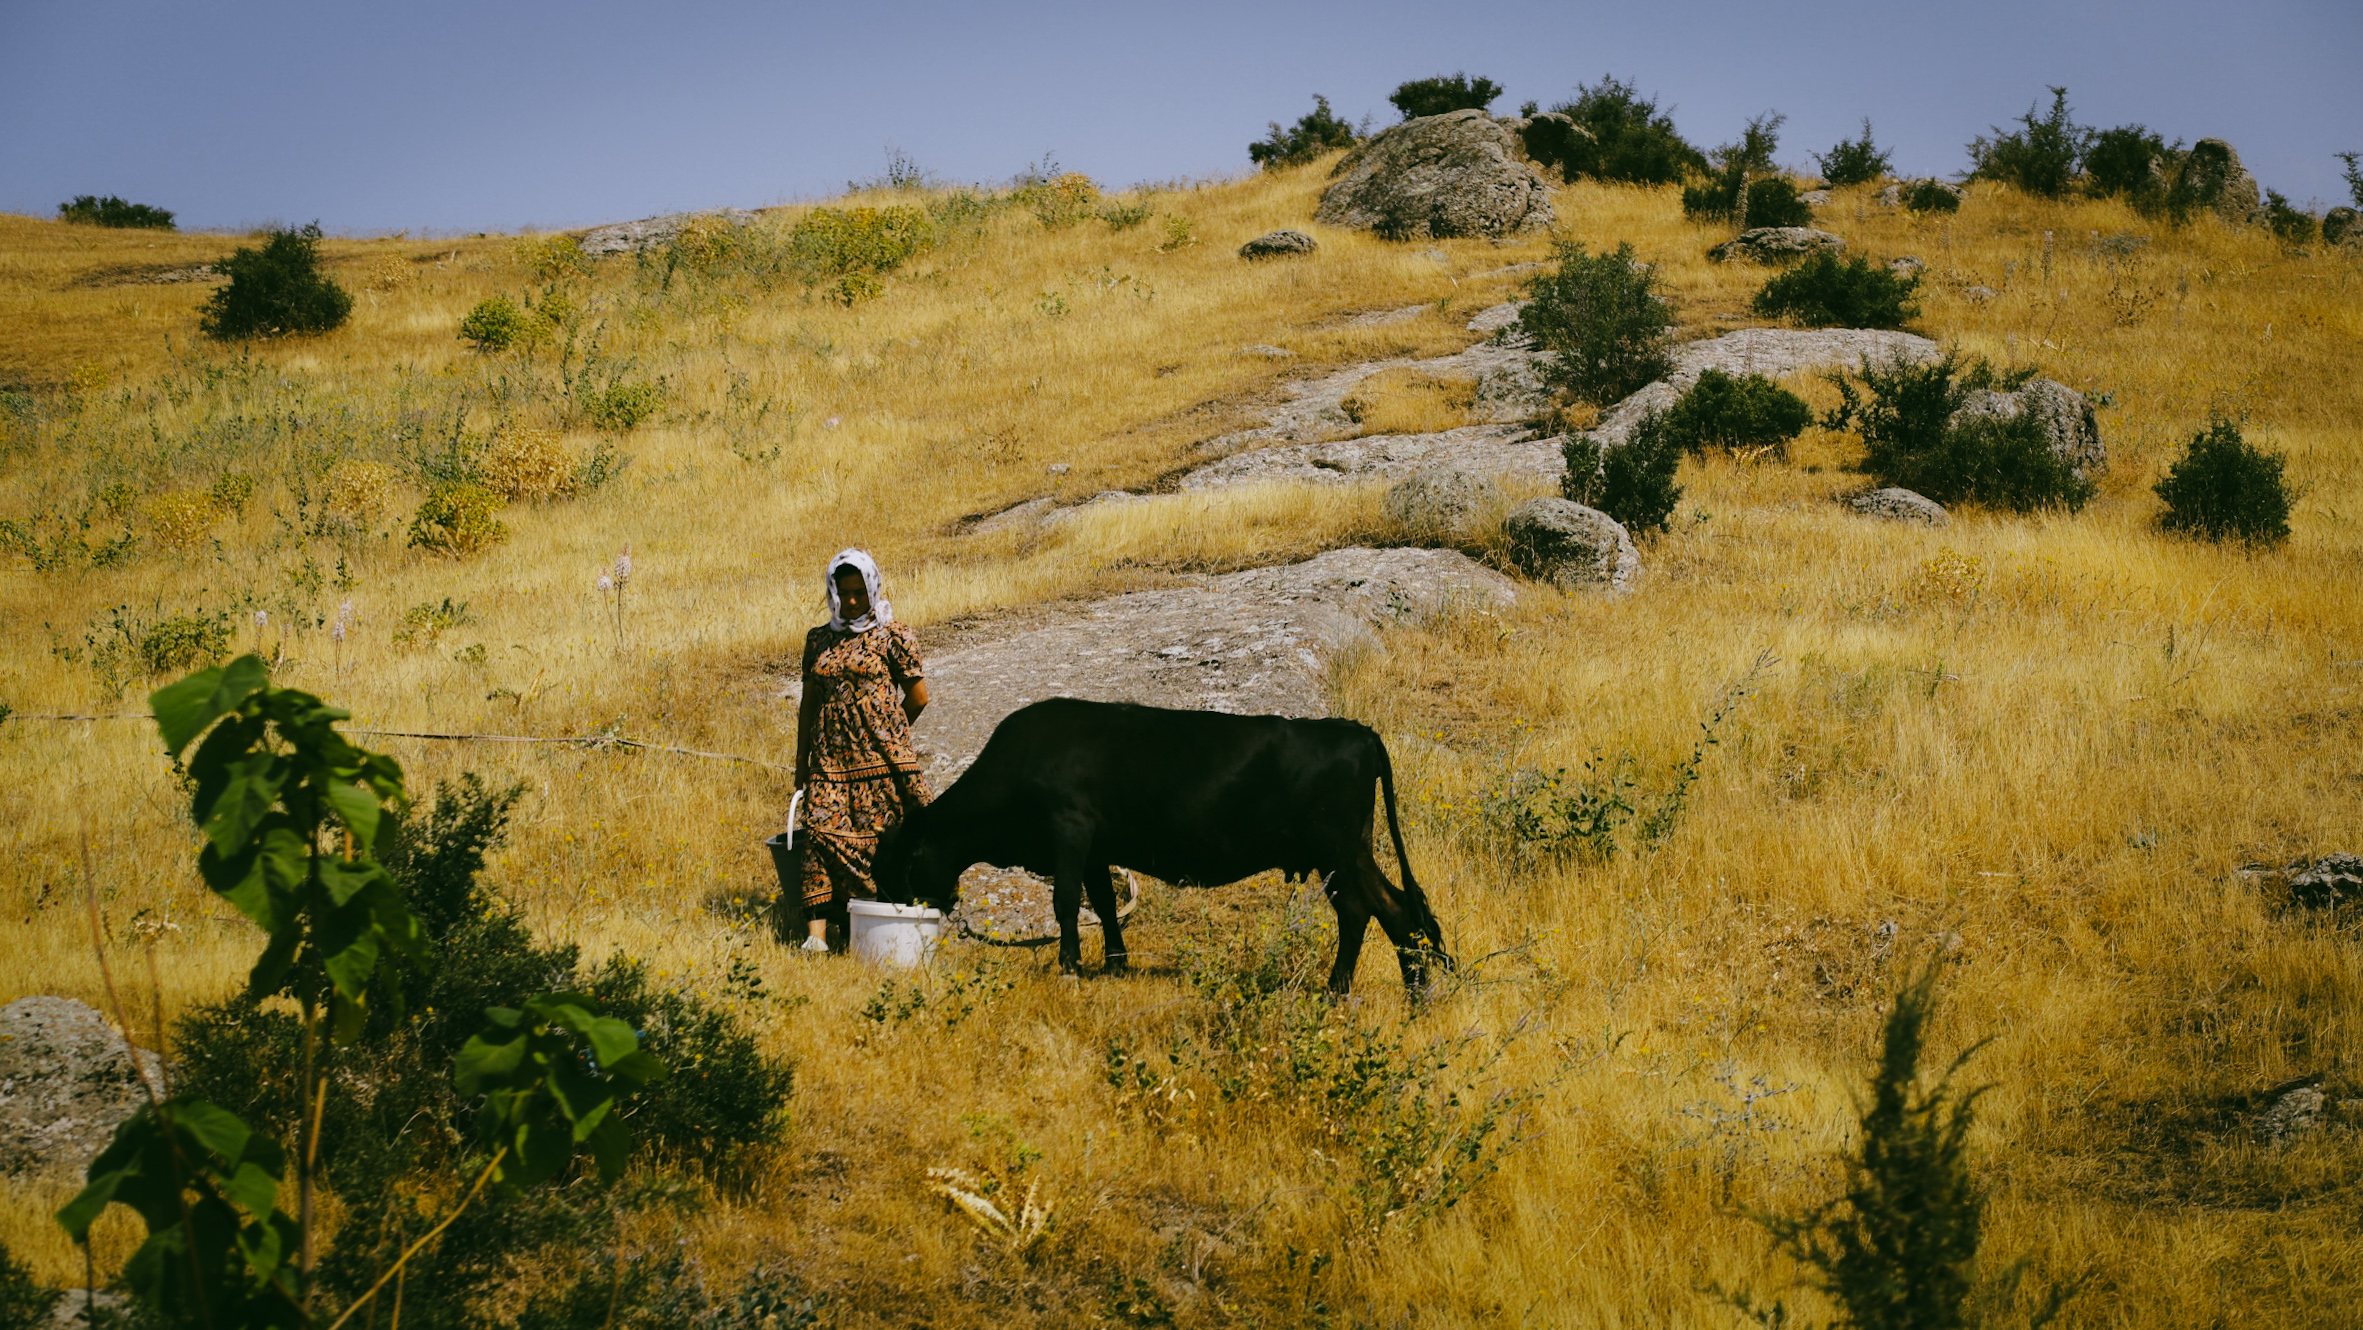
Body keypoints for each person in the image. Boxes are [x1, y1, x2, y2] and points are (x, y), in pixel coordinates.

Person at [791, 549, 931, 952]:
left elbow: (918, 697)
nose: (851, 601)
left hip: (880, 762)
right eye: (843, 593)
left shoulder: (894, 635)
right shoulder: (817, 640)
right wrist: (802, 760)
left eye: (859, 592)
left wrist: (887, 731)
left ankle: (878, 927)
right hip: (829, 760)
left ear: (872, 588)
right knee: (819, 833)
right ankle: (815, 939)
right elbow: (809, 704)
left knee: (877, 840)